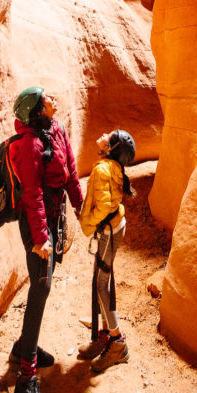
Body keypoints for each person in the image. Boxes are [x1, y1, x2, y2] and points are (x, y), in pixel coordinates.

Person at [8, 86, 83, 393]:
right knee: (42, 286)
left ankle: (24, 346)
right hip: (36, 221)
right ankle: (26, 380)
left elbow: (70, 171)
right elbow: (33, 192)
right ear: (37, 109)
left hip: (54, 216)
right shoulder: (30, 143)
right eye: (46, 97)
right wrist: (41, 238)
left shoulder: (57, 129)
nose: (53, 97)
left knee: (43, 285)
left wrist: (82, 208)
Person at [77, 128, 136, 372]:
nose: (102, 134)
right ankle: (103, 334)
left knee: (102, 285)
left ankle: (117, 342)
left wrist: (87, 223)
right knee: (101, 281)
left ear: (111, 149)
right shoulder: (110, 166)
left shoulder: (103, 169)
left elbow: (102, 209)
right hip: (113, 228)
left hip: (108, 231)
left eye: (109, 136)